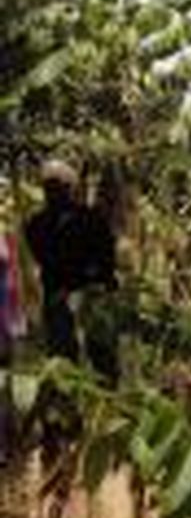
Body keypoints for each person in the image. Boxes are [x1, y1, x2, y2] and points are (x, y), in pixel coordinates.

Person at [24, 160, 119, 383]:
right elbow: (42, 257)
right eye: (49, 186)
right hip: (58, 294)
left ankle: (108, 399)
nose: (53, 191)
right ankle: (68, 404)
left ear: (69, 189)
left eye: (57, 186)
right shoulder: (36, 223)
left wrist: (95, 283)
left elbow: (106, 256)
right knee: (62, 356)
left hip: (92, 293)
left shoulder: (91, 218)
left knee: (101, 351)